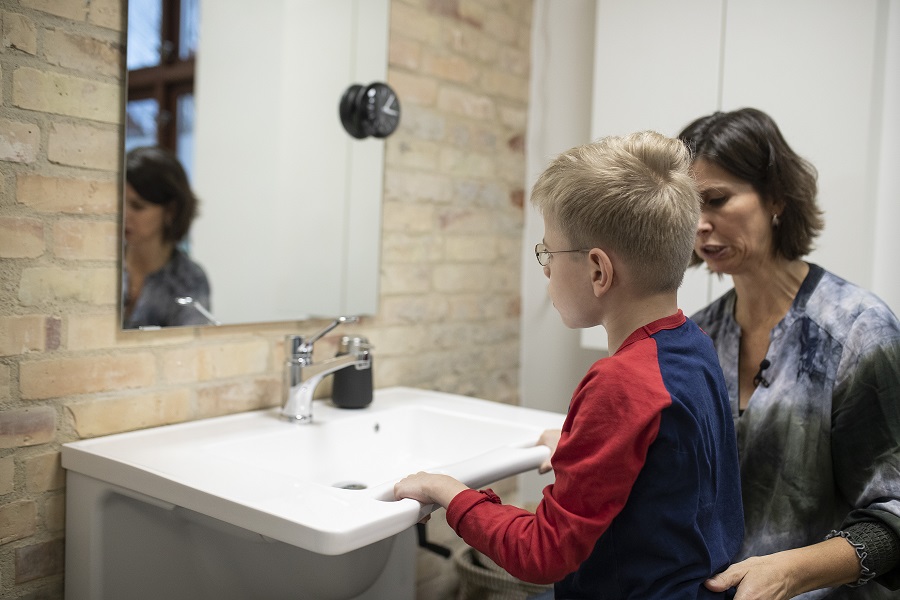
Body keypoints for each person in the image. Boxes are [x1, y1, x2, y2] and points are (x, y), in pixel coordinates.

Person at [394, 131, 744, 598]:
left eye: (548, 254)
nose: (545, 270)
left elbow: (542, 554)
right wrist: (576, 446)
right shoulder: (693, 345)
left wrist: (449, 492)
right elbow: (666, 467)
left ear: (598, 271)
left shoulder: (619, 383)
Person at [677, 107, 900, 599]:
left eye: (716, 200)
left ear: (776, 196)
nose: (700, 225)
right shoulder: (699, 336)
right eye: (689, 208)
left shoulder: (858, 331)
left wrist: (789, 572)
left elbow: (894, 512)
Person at [123, 146, 212, 329]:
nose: (124, 214)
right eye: (120, 202)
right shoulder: (100, 266)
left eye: (137, 206)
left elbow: (188, 350)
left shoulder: (189, 279)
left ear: (170, 211)